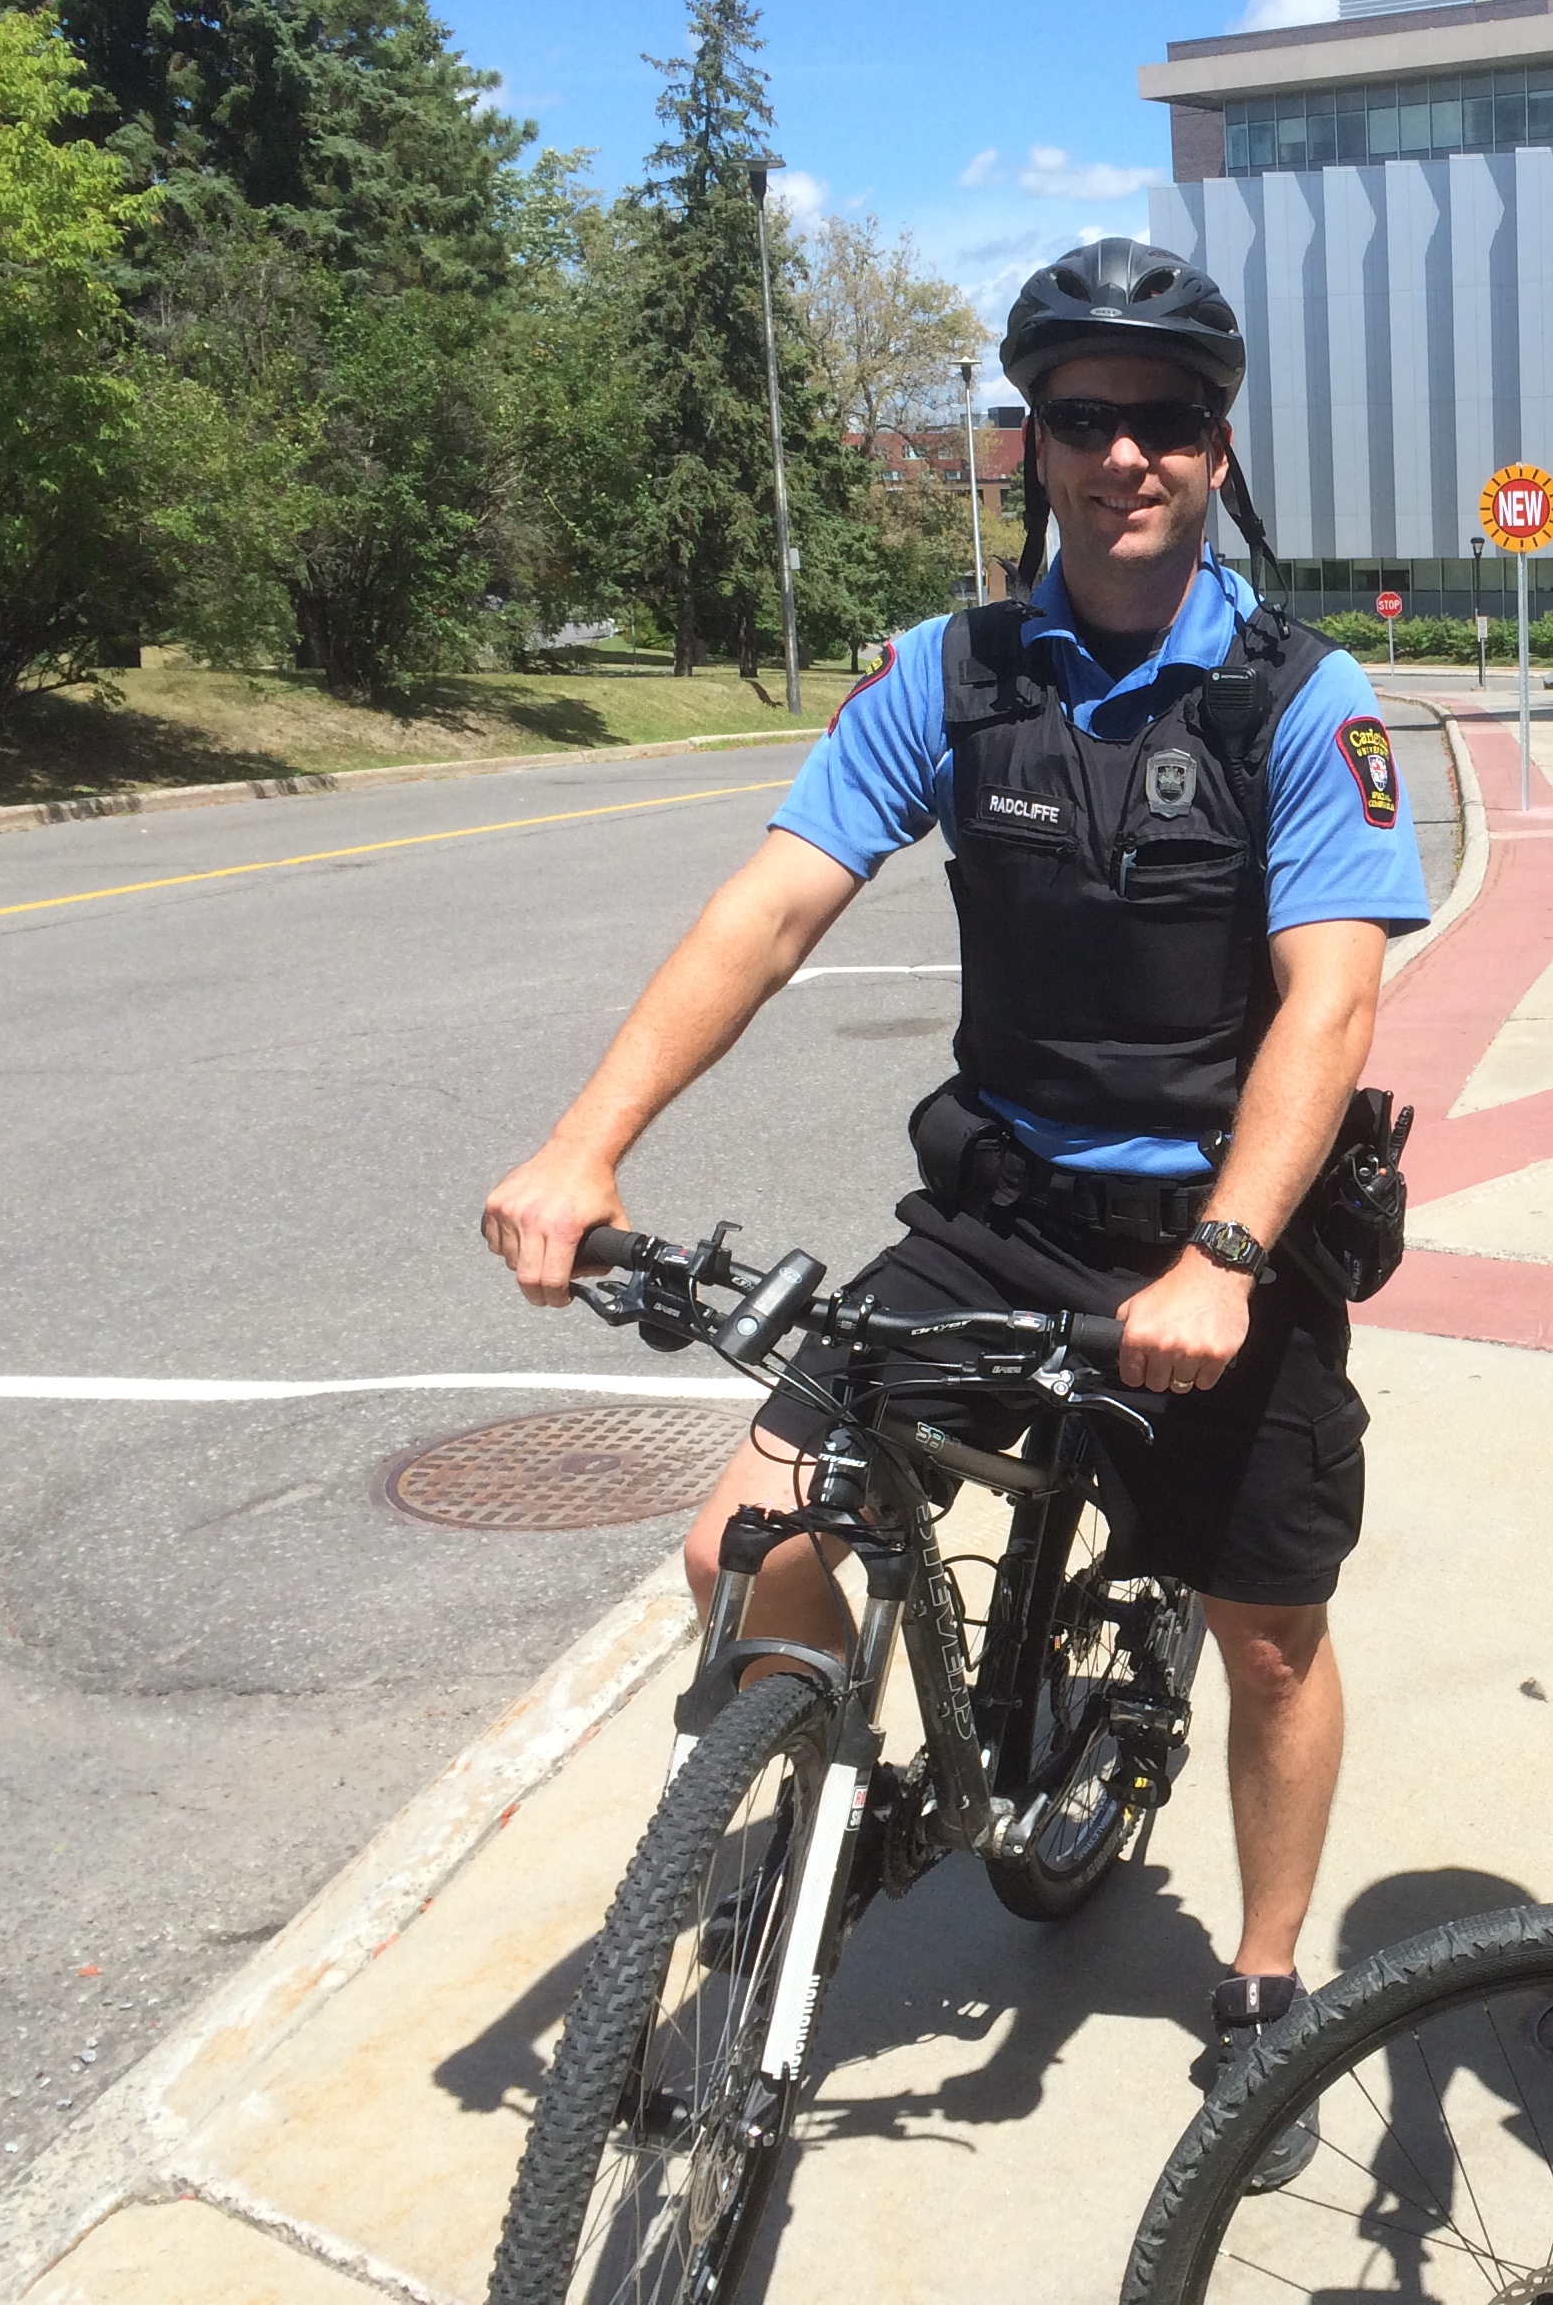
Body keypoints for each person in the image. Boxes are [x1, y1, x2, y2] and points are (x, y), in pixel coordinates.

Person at [481, 238, 1424, 2185]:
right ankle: (800, 1803)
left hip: (1217, 1241)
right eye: (1084, 416)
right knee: (740, 1541)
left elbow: (1329, 1002)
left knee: (1264, 1631)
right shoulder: (953, 673)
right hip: (995, 1219)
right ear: (1035, 445)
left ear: (1217, 447)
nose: (1125, 452)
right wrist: (584, 1144)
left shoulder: (1302, 699)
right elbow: (772, 907)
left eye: (1165, 419)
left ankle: (1264, 1985)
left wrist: (1227, 1256)